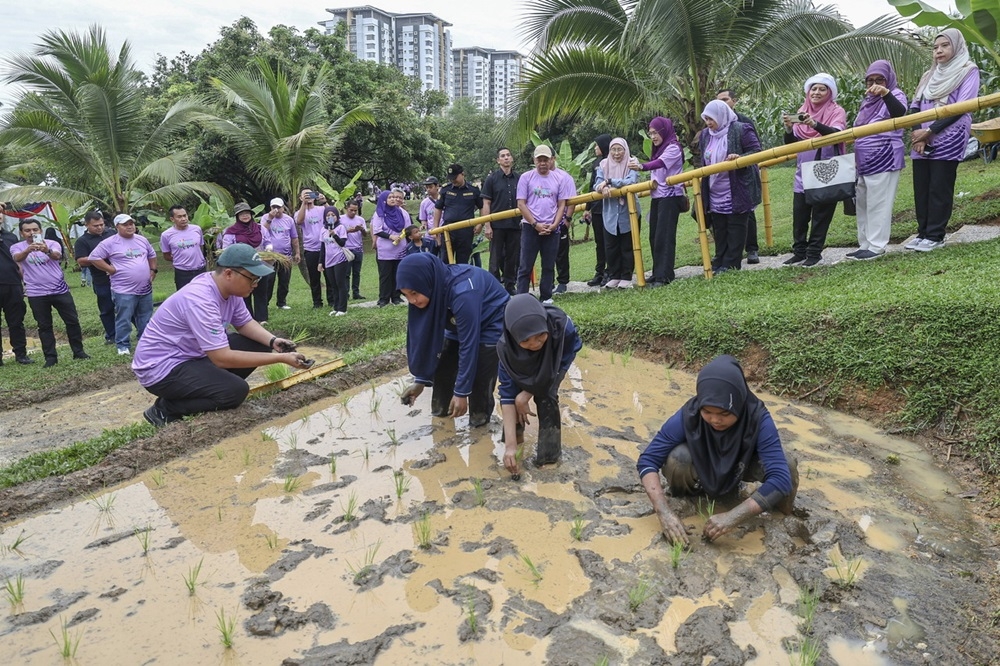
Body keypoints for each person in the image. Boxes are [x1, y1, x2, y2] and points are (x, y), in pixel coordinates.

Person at [133, 243, 308, 427]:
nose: (256, 284)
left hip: (192, 356)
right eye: (252, 278)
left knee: (258, 343)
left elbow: (244, 323)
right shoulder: (200, 299)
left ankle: (213, 384)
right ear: (229, 273)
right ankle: (165, 409)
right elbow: (221, 358)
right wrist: (282, 358)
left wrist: (273, 341)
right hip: (162, 368)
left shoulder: (231, 291)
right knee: (234, 392)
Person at [636, 355, 798, 545]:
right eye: (707, 412)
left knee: (787, 466)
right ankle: (687, 499)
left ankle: (782, 513)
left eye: (724, 413)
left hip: (741, 465)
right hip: (702, 460)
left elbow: (779, 478)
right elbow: (648, 460)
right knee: (678, 458)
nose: (714, 420)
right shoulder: (689, 414)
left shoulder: (758, 418)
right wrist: (663, 512)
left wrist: (733, 517)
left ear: (738, 403)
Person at [397, 253, 509, 427]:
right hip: (457, 324)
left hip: (491, 324)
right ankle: (441, 416)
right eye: (406, 295)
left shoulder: (463, 292)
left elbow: (469, 345)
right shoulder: (431, 287)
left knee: (480, 379)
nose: (412, 301)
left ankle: (479, 423)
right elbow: (426, 335)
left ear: (427, 282)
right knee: (443, 369)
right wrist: (421, 380)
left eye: (414, 293)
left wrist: (462, 392)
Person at [907, 29, 980, 252]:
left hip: (949, 134)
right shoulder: (929, 75)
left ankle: (936, 235)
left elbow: (962, 107)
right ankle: (922, 233)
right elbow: (915, 105)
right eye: (935, 47)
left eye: (945, 45)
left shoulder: (968, 70)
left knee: (940, 185)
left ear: (956, 47)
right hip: (921, 137)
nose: (939, 50)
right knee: (922, 187)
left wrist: (929, 132)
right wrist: (919, 134)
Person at [497, 295, 582, 474]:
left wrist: (527, 393)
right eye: (525, 340)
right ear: (514, 337)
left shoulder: (562, 327)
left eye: (540, 336)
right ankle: (516, 441)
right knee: (514, 399)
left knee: (547, 395)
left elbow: (558, 365)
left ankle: (549, 455)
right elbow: (506, 395)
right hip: (521, 363)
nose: (534, 344)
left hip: (558, 356)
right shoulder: (506, 350)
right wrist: (510, 447)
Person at [782, 73, 847, 267]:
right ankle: (799, 251)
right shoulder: (802, 110)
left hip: (826, 170)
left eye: (822, 89)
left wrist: (814, 124)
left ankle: (814, 253)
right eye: (813, 88)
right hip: (803, 171)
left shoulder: (837, 111)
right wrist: (788, 128)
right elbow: (791, 144)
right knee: (799, 215)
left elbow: (836, 134)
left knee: (821, 214)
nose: (816, 93)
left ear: (830, 92)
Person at [10, 218, 89, 366]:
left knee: (72, 321)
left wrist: (46, 250)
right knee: (44, 326)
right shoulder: (17, 246)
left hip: (60, 290)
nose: (31, 233)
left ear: (40, 231)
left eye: (35, 230)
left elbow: (57, 256)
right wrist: (28, 250)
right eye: (27, 230)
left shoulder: (52, 243)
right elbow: (16, 258)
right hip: (36, 293)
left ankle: (79, 352)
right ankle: (51, 358)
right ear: (21, 233)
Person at [850, 61, 908, 260]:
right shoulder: (867, 101)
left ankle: (877, 246)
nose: (874, 84)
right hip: (864, 160)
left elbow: (900, 114)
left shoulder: (895, 95)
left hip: (885, 156)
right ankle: (864, 243)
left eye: (879, 79)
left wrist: (885, 93)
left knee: (879, 203)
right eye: (870, 81)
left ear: (888, 79)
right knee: (863, 203)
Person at [699, 100, 763, 274]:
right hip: (714, 189)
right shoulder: (706, 134)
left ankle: (732, 263)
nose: (709, 123)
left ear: (722, 116)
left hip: (737, 188)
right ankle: (720, 259)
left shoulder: (741, 129)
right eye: (706, 119)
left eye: (711, 119)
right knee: (720, 227)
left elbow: (757, 152)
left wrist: (739, 158)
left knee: (736, 226)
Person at [87, 213, 157, 356]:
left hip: (145, 287)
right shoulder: (110, 242)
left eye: (131, 223)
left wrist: (153, 270)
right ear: (117, 227)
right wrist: (110, 269)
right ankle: (123, 344)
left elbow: (152, 255)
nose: (130, 226)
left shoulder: (141, 240)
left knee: (145, 316)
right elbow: (94, 258)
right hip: (123, 289)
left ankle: (145, 341)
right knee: (124, 317)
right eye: (125, 224)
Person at [631, 117, 685, 286]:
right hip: (658, 196)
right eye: (651, 133)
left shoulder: (673, 148)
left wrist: (641, 166)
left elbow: (660, 164)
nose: (653, 137)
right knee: (654, 236)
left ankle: (664, 276)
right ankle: (658, 272)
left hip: (670, 197)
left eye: (655, 133)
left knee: (665, 236)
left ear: (664, 131)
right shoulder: (660, 149)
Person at [516, 145, 571, 303]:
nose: (542, 163)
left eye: (545, 159)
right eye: (539, 159)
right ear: (534, 160)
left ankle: (546, 296)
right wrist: (535, 224)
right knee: (525, 265)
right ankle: (522, 298)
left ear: (552, 160)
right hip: (530, 227)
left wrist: (555, 225)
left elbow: (561, 204)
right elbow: (521, 204)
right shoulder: (526, 177)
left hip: (551, 227)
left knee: (548, 264)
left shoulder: (558, 179)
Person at [717, 89, 762, 264]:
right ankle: (727, 250)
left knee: (747, 212)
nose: (722, 103)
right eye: (718, 100)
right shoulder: (712, 125)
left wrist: (740, 160)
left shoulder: (743, 123)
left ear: (734, 101)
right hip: (720, 181)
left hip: (744, 176)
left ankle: (752, 249)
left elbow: (755, 149)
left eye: (725, 99)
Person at [595, 138, 639, 288]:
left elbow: (631, 181)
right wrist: (602, 187)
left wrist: (609, 182)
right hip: (610, 212)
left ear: (625, 150)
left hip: (629, 210)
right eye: (613, 150)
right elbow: (597, 183)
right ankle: (615, 276)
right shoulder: (603, 164)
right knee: (611, 246)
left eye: (619, 149)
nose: (616, 153)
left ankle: (626, 276)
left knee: (627, 244)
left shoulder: (632, 162)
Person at [221, 203, 274, 324]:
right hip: (242, 267)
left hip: (260, 265)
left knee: (261, 291)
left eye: (247, 213)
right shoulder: (230, 232)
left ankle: (262, 318)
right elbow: (226, 248)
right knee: (244, 292)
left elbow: (267, 241)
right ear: (237, 216)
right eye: (241, 214)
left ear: (251, 214)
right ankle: (248, 318)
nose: (245, 216)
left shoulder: (260, 228)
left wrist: (269, 249)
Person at [481, 148, 522, 294]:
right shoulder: (492, 179)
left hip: (515, 224)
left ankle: (510, 286)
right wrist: (487, 225)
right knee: (495, 258)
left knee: (512, 257)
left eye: (508, 155)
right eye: (502, 156)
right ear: (498, 160)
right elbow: (486, 203)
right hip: (497, 225)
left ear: (512, 159)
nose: (506, 158)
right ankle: (494, 288)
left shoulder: (519, 178)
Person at [74, 210, 117, 344]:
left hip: (120, 277)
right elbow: (81, 261)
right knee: (106, 308)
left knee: (128, 305)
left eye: (101, 224)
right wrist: (100, 258)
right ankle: (111, 335)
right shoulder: (82, 241)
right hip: (101, 279)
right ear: (87, 225)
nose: (99, 228)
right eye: (95, 226)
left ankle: (139, 331)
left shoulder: (111, 233)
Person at [1, 212, 34, 365]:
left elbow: (18, 262)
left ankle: (21, 353)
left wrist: (24, 281)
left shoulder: (10, 237)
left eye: (0, 214)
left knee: (16, 321)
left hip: (12, 284)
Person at [433, 164, 483, 265]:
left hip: (465, 230)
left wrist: (480, 224)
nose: (453, 181)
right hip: (448, 230)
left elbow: (482, 207)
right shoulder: (445, 189)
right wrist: (435, 228)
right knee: (445, 260)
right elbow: (438, 208)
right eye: (451, 178)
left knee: (463, 261)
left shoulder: (473, 190)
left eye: (455, 178)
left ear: (462, 174)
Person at [371, 189, 410, 307]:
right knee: (385, 275)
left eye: (394, 197)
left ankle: (396, 297)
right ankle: (384, 299)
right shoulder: (379, 213)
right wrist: (390, 236)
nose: (393, 199)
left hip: (400, 249)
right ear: (383, 200)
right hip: (385, 250)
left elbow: (408, 228)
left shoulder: (402, 212)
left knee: (397, 274)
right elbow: (377, 230)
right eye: (390, 197)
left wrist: (404, 237)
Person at [260, 198, 300, 309]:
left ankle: (281, 302)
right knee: (269, 280)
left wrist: (297, 253)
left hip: (285, 255)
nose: (276, 209)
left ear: (283, 208)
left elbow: (294, 238)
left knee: (284, 280)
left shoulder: (289, 220)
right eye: (274, 207)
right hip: (270, 256)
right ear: (270, 208)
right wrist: (270, 218)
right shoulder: (265, 218)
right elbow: (262, 232)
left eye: (279, 207)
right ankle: (265, 303)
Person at [584, 135, 611, 287]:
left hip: (609, 207)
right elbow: (591, 186)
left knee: (609, 242)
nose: (595, 148)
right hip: (596, 208)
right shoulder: (596, 163)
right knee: (599, 242)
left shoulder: (613, 161)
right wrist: (587, 208)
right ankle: (599, 272)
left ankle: (609, 271)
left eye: (597, 146)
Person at [160, 205, 206, 290]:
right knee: (185, 299)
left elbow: (200, 247)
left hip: (200, 270)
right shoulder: (166, 235)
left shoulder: (197, 229)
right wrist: (181, 260)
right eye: (179, 217)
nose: (184, 219)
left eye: (185, 215)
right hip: (182, 273)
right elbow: (166, 255)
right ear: (172, 219)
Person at [295, 187, 327, 308]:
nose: (308, 197)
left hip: (325, 247)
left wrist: (324, 201)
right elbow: (299, 221)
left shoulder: (320, 209)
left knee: (329, 276)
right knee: (314, 278)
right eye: (305, 195)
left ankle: (332, 299)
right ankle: (317, 302)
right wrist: (304, 203)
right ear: (300, 198)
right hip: (310, 249)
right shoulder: (299, 212)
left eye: (310, 194)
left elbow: (332, 215)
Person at [550, 154, 576, 294]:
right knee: (547, 254)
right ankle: (548, 282)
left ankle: (562, 282)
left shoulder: (564, 177)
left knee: (561, 253)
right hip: (543, 223)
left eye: (547, 158)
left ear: (553, 158)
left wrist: (567, 220)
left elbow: (571, 200)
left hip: (560, 222)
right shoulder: (535, 177)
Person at [320, 205, 350, 317]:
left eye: (333, 215)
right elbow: (322, 247)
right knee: (333, 285)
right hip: (329, 260)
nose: (330, 217)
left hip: (340, 259)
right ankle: (336, 307)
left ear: (337, 216)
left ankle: (343, 308)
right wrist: (320, 262)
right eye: (328, 215)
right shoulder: (323, 229)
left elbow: (343, 243)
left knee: (340, 283)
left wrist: (334, 235)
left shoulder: (340, 227)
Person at [342, 201, 367, 300]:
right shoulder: (341, 219)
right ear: (346, 208)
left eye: (355, 211)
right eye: (351, 210)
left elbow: (365, 235)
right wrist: (349, 231)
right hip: (346, 249)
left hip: (358, 249)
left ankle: (356, 293)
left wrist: (361, 229)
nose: (353, 212)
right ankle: (346, 293)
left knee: (356, 273)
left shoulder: (360, 219)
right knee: (346, 273)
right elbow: (338, 233)